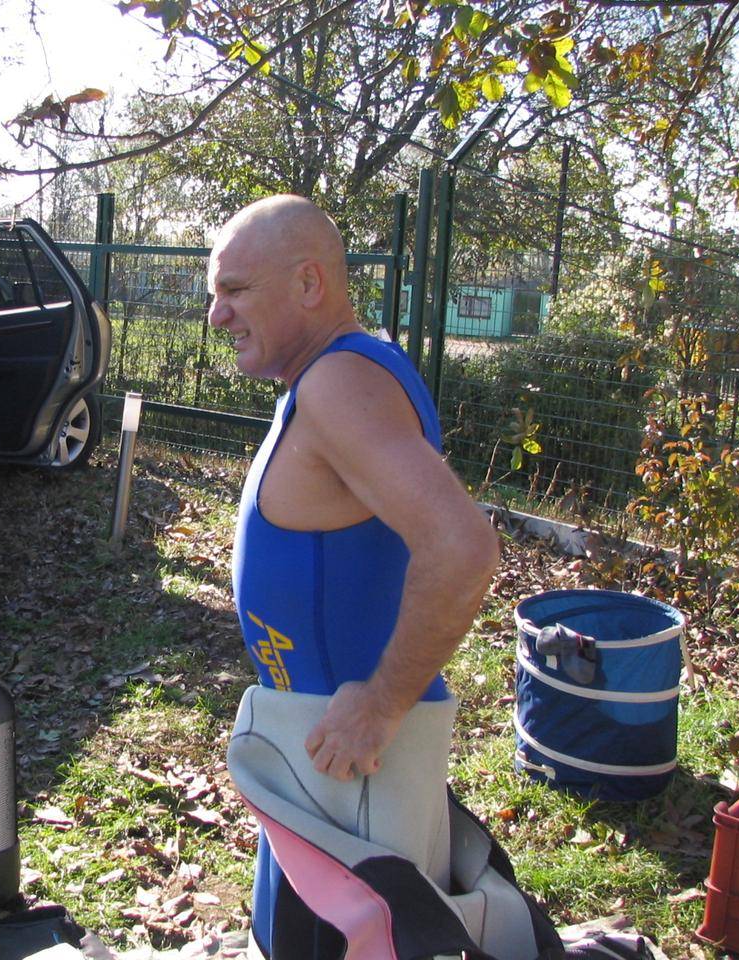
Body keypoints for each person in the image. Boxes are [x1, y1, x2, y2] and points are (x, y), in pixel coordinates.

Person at [208, 195, 500, 958]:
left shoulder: (340, 384)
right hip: (315, 767)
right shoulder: (330, 378)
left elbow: (463, 549)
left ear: (309, 284)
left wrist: (380, 703)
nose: (217, 314)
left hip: (351, 771)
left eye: (235, 290)